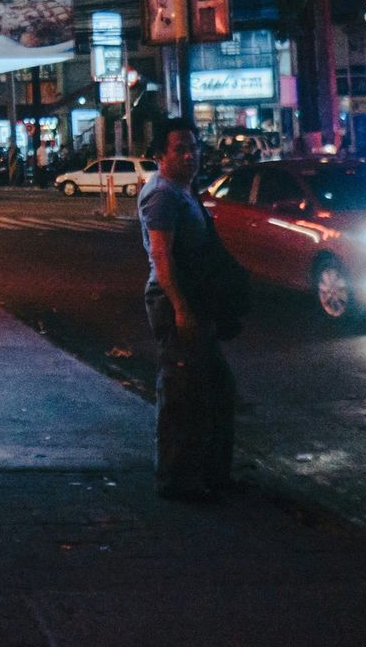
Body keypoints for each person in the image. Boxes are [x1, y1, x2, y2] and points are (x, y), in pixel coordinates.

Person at [137, 117, 237, 502]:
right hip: (173, 300)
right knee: (181, 390)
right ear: (161, 155)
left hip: (192, 298)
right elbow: (161, 256)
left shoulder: (182, 189)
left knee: (212, 387)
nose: (190, 155)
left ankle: (208, 472)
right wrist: (180, 308)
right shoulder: (162, 195)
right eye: (180, 148)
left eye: (193, 147)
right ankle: (177, 479)